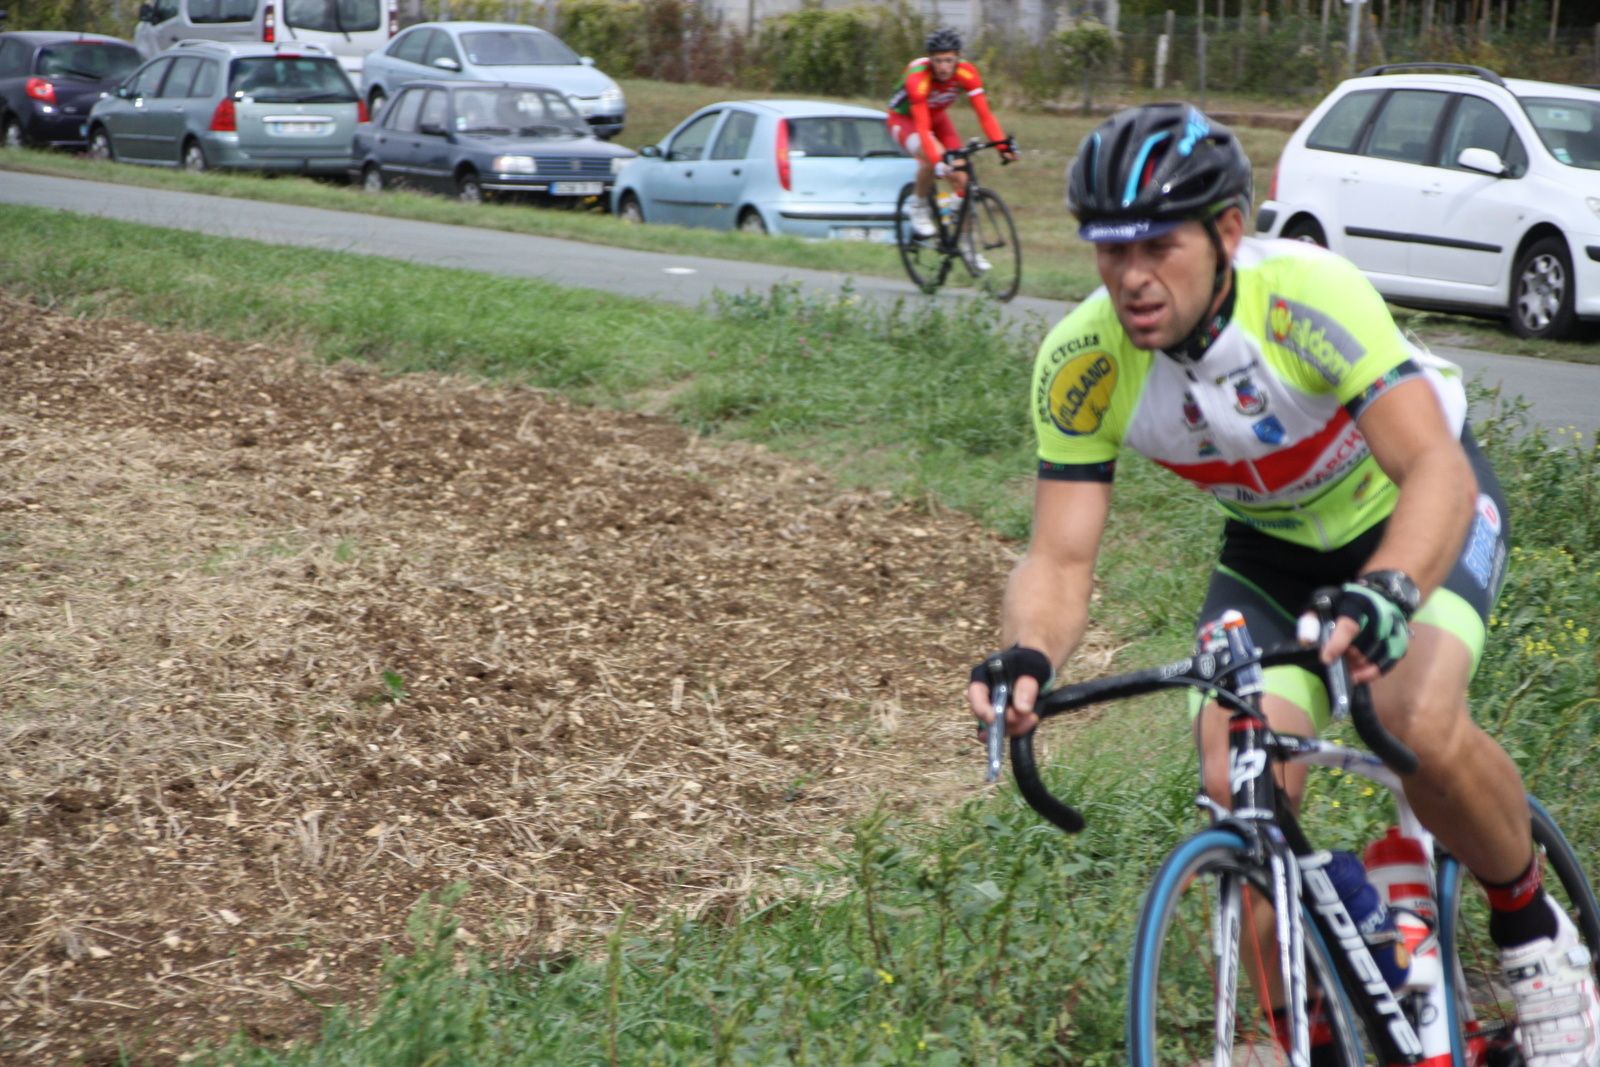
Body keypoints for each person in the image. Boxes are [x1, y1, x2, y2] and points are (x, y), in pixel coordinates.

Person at [965, 102, 1600, 1067]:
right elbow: (1058, 558)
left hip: (1418, 507)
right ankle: (1352, 967)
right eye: (1108, 251)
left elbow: (1434, 470)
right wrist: (1028, 654)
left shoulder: (1309, 297)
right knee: (1236, 779)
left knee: (1411, 717)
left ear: (1227, 230)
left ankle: (1535, 943)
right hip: (1275, 553)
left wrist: (1388, 587)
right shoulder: (1082, 364)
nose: (1131, 278)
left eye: (1157, 246)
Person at [885, 27, 1017, 257]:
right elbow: (924, 130)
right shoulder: (918, 77)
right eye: (938, 61)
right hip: (905, 120)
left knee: (963, 180)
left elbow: (985, 115)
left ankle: (967, 247)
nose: (944, 67)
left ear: (958, 58)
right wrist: (937, 162)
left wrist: (1001, 146)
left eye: (949, 60)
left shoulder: (966, 73)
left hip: (937, 118)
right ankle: (918, 205)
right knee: (930, 157)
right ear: (930, 60)